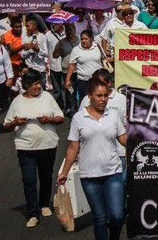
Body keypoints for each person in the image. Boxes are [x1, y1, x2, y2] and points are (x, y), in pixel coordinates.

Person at [58, 77, 126, 240]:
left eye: (105, 95)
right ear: (89, 95)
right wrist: (64, 173)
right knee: (100, 218)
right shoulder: (79, 118)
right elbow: (73, 147)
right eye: (99, 96)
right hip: (90, 176)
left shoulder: (113, 115)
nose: (103, 99)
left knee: (117, 216)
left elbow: (124, 140)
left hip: (113, 173)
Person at [3, 69, 65, 228]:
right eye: (35, 84)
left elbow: (60, 117)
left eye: (39, 83)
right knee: (29, 179)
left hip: (47, 145)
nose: (39, 87)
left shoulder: (47, 97)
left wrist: (48, 119)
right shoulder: (17, 101)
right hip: (25, 147)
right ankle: (32, 212)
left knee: (45, 176)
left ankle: (44, 204)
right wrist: (15, 122)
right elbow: (7, 125)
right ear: (26, 86)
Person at [65, 29, 103, 112]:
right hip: (83, 81)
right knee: (85, 102)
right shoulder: (76, 49)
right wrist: (67, 80)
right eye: (82, 39)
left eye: (86, 39)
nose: (83, 41)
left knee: (98, 100)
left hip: (98, 81)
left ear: (91, 39)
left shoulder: (97, 47)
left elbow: (104, 60)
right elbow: (71, 65)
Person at [53, 23, 80, 116]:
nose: (69, 32)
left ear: (75, 30)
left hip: (79, 70)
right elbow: (54, 55)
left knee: (79, 91)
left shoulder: (79, 41)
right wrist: (59, 50)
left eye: (71, 30)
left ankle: (78, 109)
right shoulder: (62, 42)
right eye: (67, 30)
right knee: (70, 91)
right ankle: (72, 110)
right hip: (67, 71)